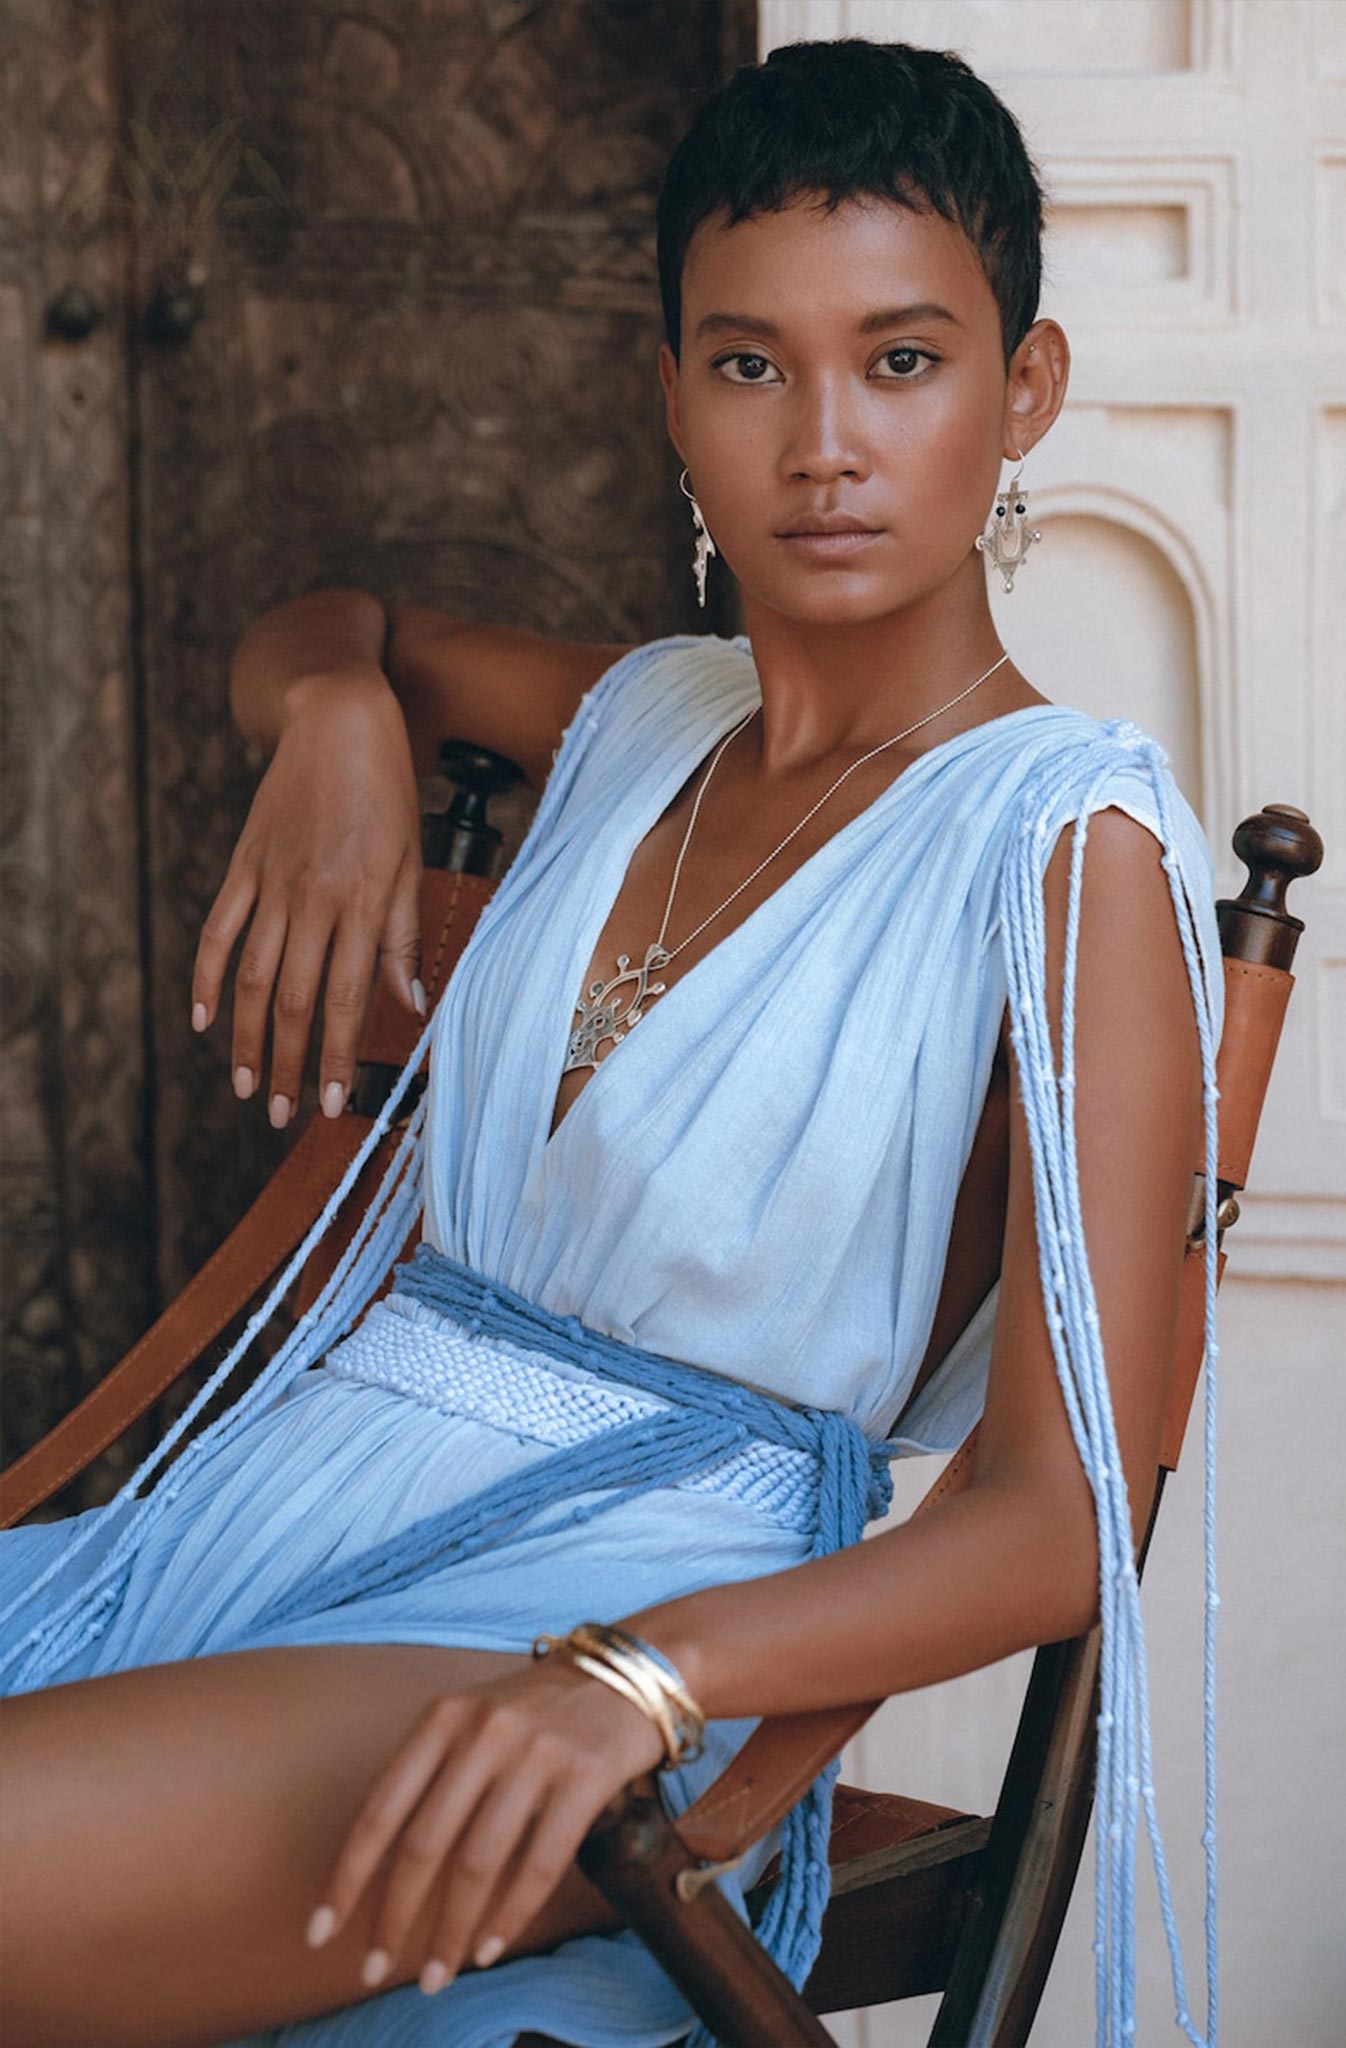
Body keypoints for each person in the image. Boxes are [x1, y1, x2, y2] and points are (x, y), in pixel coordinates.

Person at [0, 37, 1225, 2048]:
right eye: (748, 364)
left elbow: (1053, 1513)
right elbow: (329, 621)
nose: (821, 444)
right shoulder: (644, 715)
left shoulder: (1065, 844)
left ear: (1024, 390)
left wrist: (643, 1672)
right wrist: (337, 716)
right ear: (669, 396)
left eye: (898, 362)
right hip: (262, 1513)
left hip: (589, 1626)